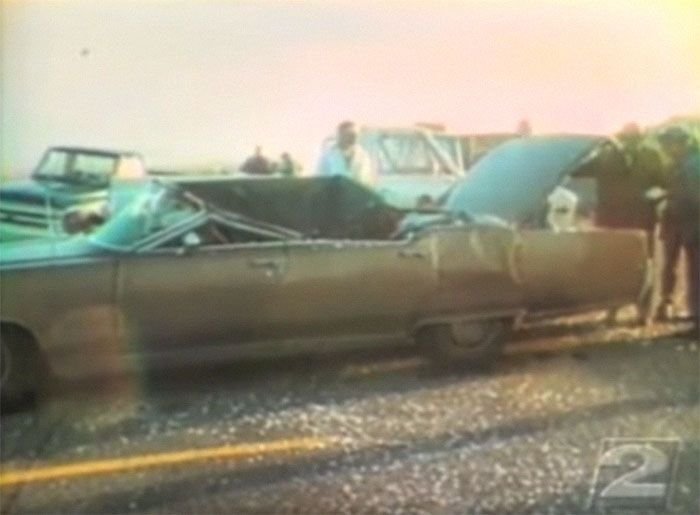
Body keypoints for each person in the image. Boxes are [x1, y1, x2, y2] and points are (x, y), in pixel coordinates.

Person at [657, 126, 699, 334]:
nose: (666, 149)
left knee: (695, 272)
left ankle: (697, 319)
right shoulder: (677, 164)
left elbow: (695, 196)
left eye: (669, 144)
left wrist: (671, 202)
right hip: (677, 222)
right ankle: (690, 313)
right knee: (679, 268)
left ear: (681, 143)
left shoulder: (693, 164)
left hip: (691, 223)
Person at [316, 121, 375, 186]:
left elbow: (367, 180)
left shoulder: (363, 155)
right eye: (350, 135)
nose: (354, 138)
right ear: (340, 135)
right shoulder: (327, 156)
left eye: (355, 135)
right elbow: (320, 179)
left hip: (356, 191)